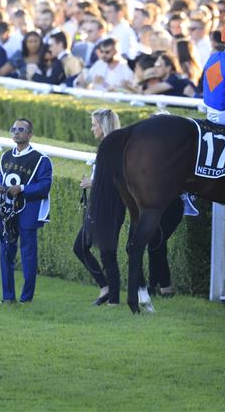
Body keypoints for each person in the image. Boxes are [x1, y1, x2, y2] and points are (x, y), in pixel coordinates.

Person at [0, 119, 53, 303]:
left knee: (28, 257)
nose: (16, 132)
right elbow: (0, 177)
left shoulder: (41, 159)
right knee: (5, 253)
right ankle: (7, 297)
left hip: (28, 212)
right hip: (7, 212)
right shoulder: (5, 156)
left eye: (21, 130)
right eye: (14, 129)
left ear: (29, 134)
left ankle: (26, 298)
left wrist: (23, 188)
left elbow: (45, 186)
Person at [73, 108, 122, 306]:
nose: (92, 128)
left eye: (94, 124)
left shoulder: (114, 148)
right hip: (100, 206)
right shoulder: (109, 146)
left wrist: (92, 183)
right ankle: (106, 289)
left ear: (103, 125)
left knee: (107, 253)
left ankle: (113, 299)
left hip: (109, 207)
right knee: (81, 247)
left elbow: (118, 179)